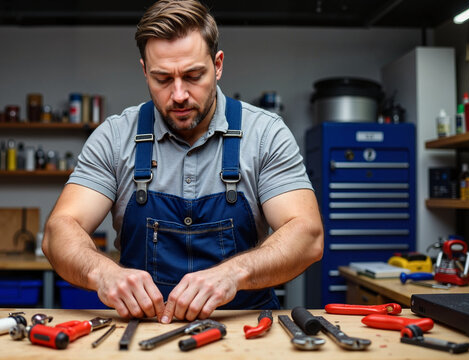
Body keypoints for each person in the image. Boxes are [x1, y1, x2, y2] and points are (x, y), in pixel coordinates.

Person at [42, 0, 323, 324]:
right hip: (143, 331)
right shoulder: (115, 137)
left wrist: (234, 273)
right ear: (145, 71)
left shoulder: (264, 134)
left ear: (217, 65)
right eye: (162, 78)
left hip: (246, 327)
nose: (178, 95)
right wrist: (102, 272)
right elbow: (58, 231)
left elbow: (308, 234)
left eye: (193, 75)